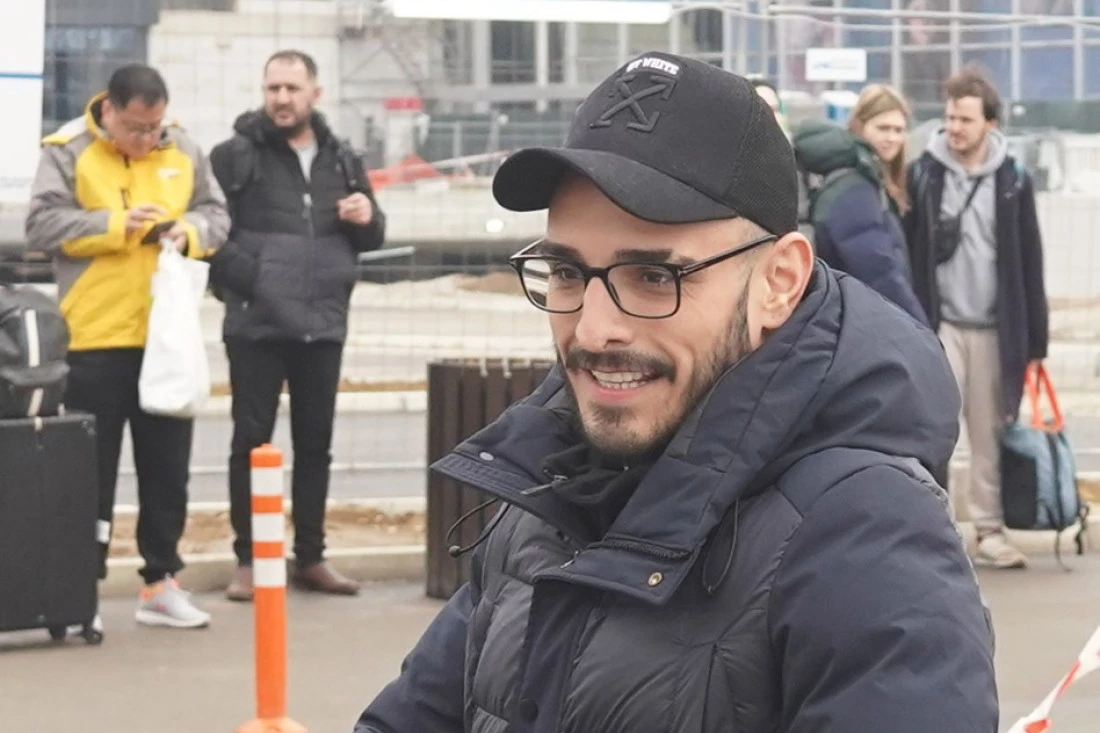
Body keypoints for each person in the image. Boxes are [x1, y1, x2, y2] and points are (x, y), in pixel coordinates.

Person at [353, 52, 997, 733]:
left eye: (655, 278)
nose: (593, 330)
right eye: (566, 272)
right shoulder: (551, 486)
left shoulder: (865, 535)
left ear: (779, 282)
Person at [24, 63, 229, 629]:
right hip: (94, 336)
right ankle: (78, 593)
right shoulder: (67, 149)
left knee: (167, 470)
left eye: (155, 127)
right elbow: (41, 226)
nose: (147, 139)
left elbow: (216, 214)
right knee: (88, 475)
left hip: (166, 337)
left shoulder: (183, 146)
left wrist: (189, 232)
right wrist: (118, 225)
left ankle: (161, 582)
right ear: (108, 111)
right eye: (136, 128)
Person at [208, 49, 386, 601]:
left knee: (316, 445)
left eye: (291, 88)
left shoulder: (343, 158)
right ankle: (249, 561)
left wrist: (367, 217)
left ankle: (311, 557)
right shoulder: (233, 156)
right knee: (251, 443)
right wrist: (256, 278)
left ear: (315, 93)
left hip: (322, 324)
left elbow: (373, 235)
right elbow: (210, 233)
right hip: (256, 325)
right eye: (273, 88)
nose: (281, 99)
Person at [905, 65, 1048, 569]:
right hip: (940, 325)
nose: (955, 128)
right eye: (949, 117)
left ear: (990, 122)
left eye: (965, 119)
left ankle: (989, 530)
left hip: (994, 330)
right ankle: (934, 529)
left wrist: (1036, 342)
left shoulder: (1013, 179)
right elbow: (910, 249)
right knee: (934, 429)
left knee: (989, 435)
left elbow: (1029, 259)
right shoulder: (925, 173)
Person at [792, 83, 928, 324]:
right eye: (883, 128)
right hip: (855, 322)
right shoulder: (856, 189)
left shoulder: (867, 180)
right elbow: (879, 273)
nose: (892, 138)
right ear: (859, 126)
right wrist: (921, 329)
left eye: (899, 130)